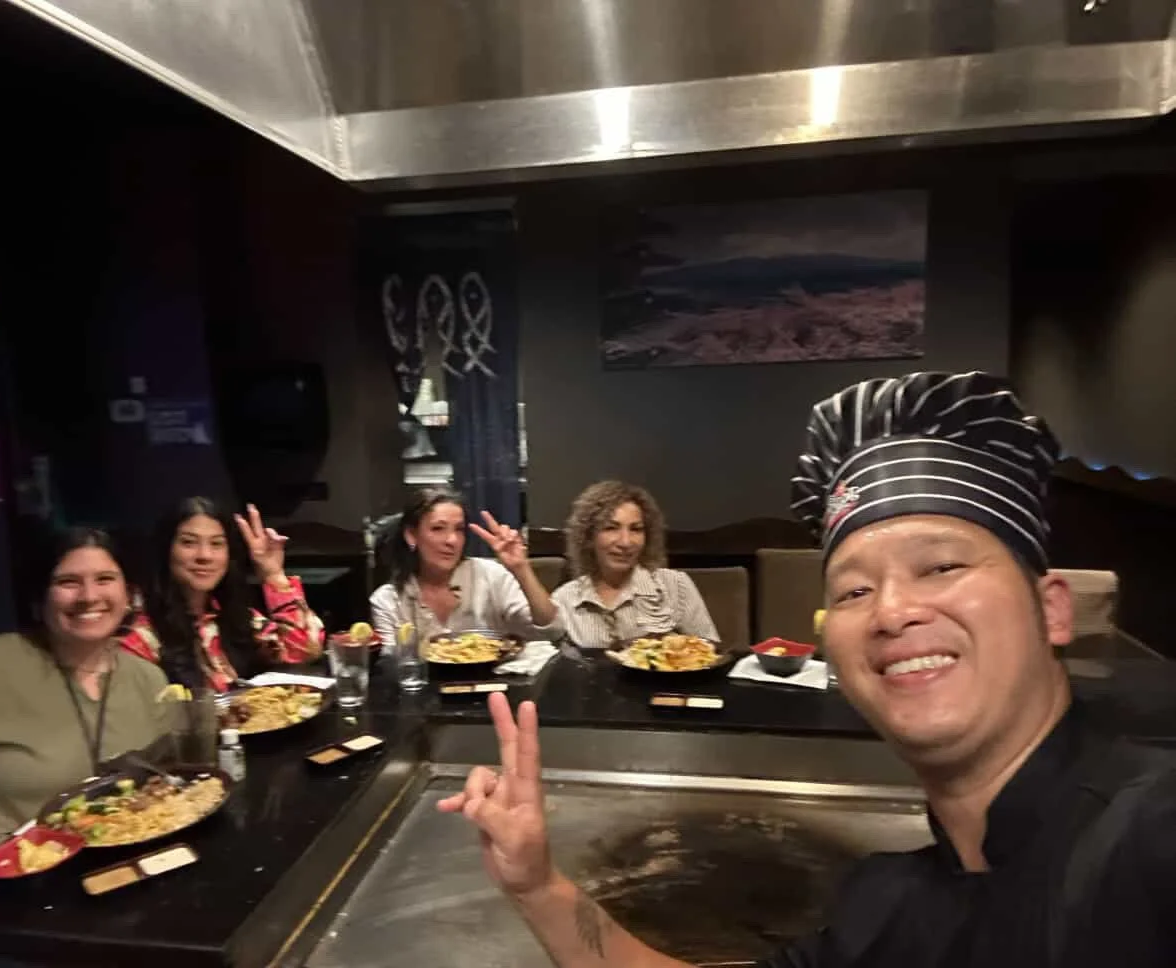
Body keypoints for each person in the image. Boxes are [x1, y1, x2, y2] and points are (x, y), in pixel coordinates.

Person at [439, 371, 1176, 967]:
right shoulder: (892, 907)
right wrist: (537, 884)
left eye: (942, 566)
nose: (891, 611)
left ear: (1052, 609)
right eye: (854, 589)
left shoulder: (1148, 834)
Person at [0, 527, 172, 965]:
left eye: (105, 579)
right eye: (67, 581)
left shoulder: (146, 680)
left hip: (57, 903)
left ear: (129, 593)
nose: (88, 595)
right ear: (40, 597)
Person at [119, 497, 324, 691]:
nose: (205, 556)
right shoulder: (142, 635)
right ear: (167, 550)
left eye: (216, 543)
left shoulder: (235, 616)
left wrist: (273, 574)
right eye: (189, 542)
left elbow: (305, 649)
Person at [370, 487, 564, 649]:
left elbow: (551, 631)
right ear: (412, 536)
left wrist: (521, 568)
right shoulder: (388, 600)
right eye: (438, 528)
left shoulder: (491, 576)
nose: (452, 540)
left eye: (459, 529)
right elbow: (392, 669)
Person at [551, 480, 718, 648]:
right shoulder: (565, 599)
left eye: (636, 529)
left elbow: (708, 654)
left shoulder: (676, 586)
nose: (625, 542)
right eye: (611, 528)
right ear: (588, 537)